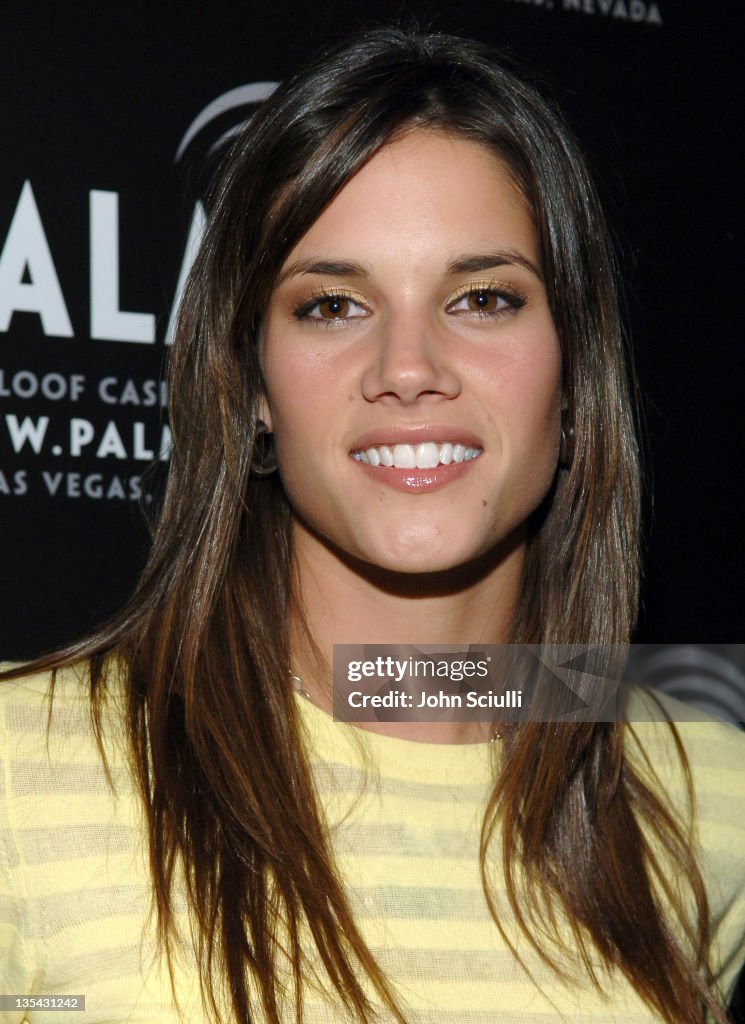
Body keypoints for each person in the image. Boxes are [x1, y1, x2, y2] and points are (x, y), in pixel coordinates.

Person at [1, 26, 743, 1024]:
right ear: (252, 386)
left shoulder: (706, 794)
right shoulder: (23, 768)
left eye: (482, 298)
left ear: (574, 378)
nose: (407, 367)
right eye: (332, 306)